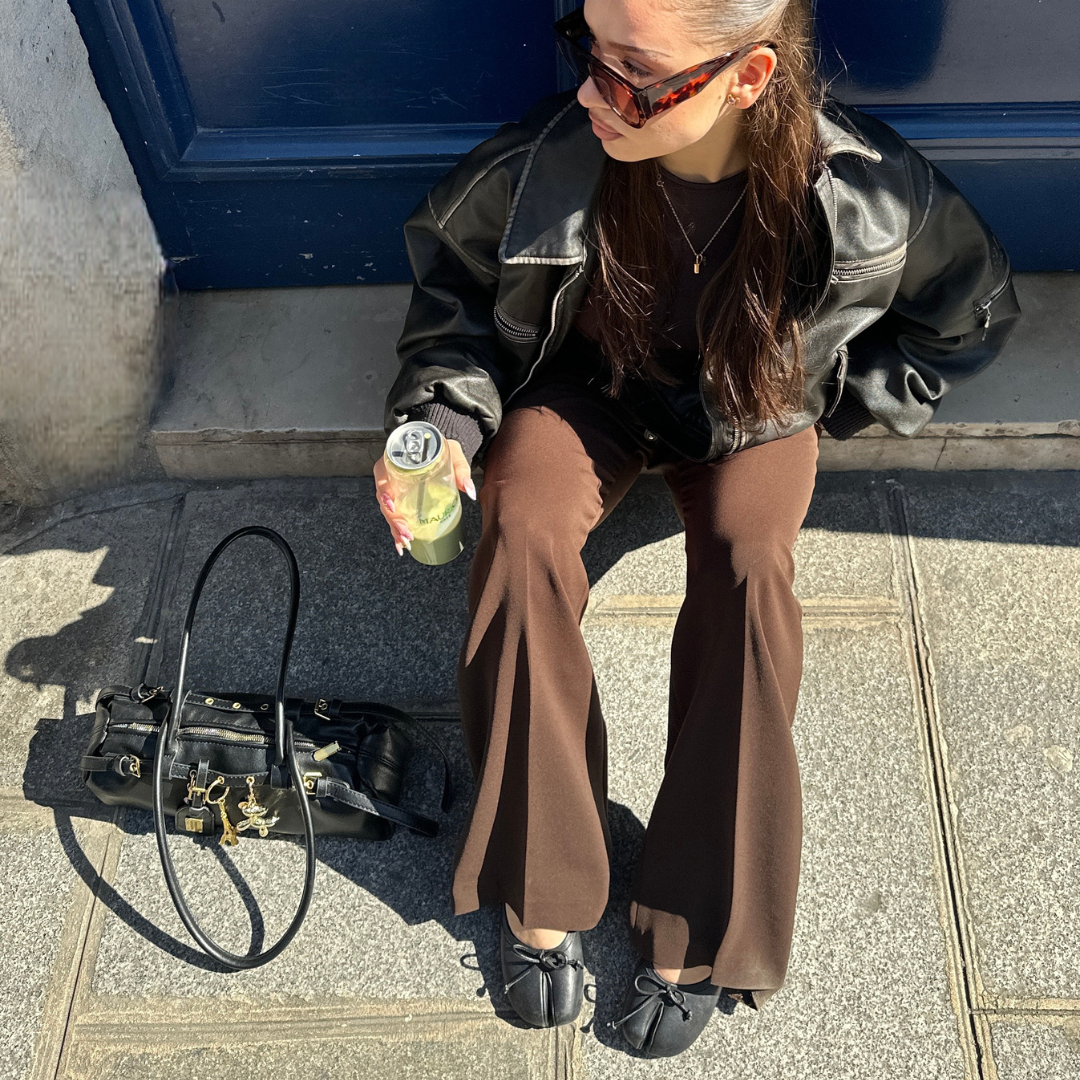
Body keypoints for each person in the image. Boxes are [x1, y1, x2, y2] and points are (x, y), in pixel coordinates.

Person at [375, 0, 1020, 1057]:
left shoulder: (869, 189)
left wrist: (840, 400)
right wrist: (442, 419)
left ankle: (700, 914)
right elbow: (452, 296)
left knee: (754, 575)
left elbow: (972, 308)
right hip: (589, 390)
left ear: (748, 74)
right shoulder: (550, 160)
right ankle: (538, 882)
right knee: (522, 531)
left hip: (754, 408)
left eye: (634, 72)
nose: (591, 89)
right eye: (589, 49)